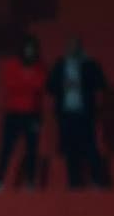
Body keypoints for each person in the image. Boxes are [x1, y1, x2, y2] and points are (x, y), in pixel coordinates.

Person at [46, 37, 108, 189]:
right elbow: (50, 86)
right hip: (67, 114)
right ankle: (74, 183)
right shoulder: (60, 65)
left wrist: (82, 82)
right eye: (69, 46)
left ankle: (97, 180)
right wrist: (63, 84)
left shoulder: (89, 64)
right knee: (70, 149)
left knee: (90, 147)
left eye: (75, 47)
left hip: (85, 113)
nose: (72, 49)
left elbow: (101, 83)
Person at [0, 35, 47, 192]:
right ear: (22, 50)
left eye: (32, 49)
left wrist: (25, 82)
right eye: (27, 49)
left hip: (33, 114)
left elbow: (39, 85)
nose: (29, 52)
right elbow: (11, 85)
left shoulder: (40, 66)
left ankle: (29, 182)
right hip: (13, 113)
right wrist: (27, 82)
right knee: (6, 148)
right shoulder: (12, 65)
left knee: (32, 149)